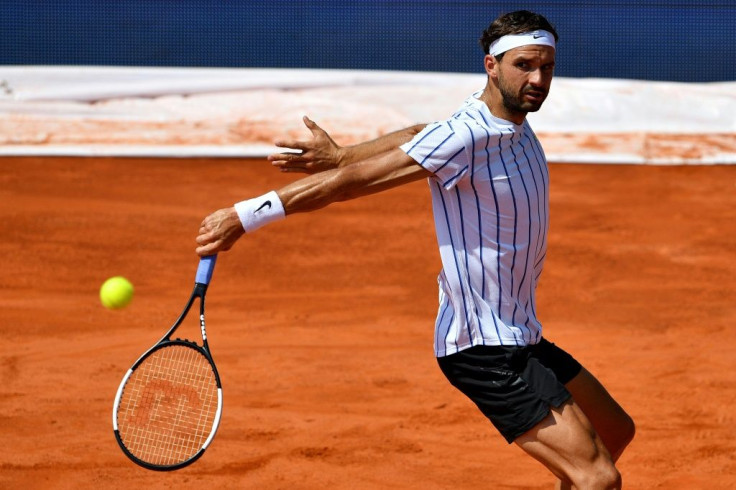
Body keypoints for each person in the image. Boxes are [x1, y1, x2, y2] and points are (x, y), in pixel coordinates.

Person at [196, 10, 634, 489]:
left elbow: (415, 135)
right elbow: (348, 185)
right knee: (598, 477)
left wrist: (345, 150)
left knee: (614, 432)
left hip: (521, 332)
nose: (538, 79)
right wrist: (246, 214)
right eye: (524, 65)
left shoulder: (496, 122)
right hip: (483, 347)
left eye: (547, 67)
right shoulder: (470, 136)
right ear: (491, 65)